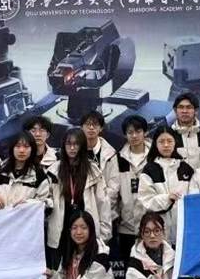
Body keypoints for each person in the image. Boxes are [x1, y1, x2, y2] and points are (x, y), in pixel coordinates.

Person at [46, 128, 110, 262]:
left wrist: (104, 234)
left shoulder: (93, 171)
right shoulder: (53, 170)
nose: (72, 148)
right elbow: (47, 198)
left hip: (86, 230)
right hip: (61, 230)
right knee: (60, 270)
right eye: (68, 144)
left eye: (76, 144)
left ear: (83, 146)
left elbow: (103, 203)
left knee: (85, 271)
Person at [137, 126, 195, 244]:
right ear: (155, 144)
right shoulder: (149, 169)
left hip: (184, 230)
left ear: (175, 143)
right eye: (161, 141)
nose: (166, 145)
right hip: (159, 232)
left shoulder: (186, 168)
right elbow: (146, 201)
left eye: (169, 141)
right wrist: (167, 198)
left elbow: (194, 198)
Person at [114, 115, 152, 260]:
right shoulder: (118, 159)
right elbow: (113, 193)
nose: (134, 136)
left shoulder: (154, 157)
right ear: (125, 135)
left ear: (145, 132)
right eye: (130, 132)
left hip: (151, 226)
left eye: (138, 131)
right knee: (129, 267)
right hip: (126, 228)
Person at [0, 131, 51, 208]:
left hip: (25, 215)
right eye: (17, 146)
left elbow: (45, 202)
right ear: (12, 148)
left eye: (26, 146)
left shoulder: (40, 176)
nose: (21, 150)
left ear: (32, 149)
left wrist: (29, 203)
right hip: (0, 215)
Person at [79, 110, 119, 241]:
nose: (91, 128)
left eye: (95, 124)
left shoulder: (110, 153)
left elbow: (114, 185)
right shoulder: (75, 152)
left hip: (106, 210)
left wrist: (102, 202)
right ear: (81, 127)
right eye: (87, 124)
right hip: (81, 211)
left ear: (101, 128)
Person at [170, 92, 200, 170]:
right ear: (175, 111)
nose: (184, 111)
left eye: (189, 107)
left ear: (196, 111)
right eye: (181, 107)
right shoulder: (168, 136)